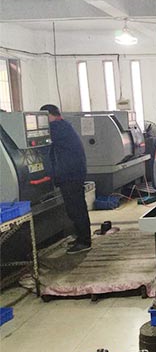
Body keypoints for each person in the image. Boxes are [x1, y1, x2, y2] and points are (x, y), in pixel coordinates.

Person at [40, 104, 92, 254]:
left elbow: (39, 142)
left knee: (76, 209)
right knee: (77, 207)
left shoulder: (56, 128)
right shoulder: (64, 125)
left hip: (70, 175)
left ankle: (84, 241)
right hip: (73, 173)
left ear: (49, 115)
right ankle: (82, 237)